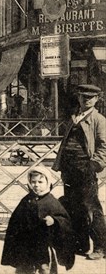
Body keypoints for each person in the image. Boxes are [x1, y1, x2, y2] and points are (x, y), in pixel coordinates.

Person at [52, 84, 106, 260]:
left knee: (91, 208)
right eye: (83, 96)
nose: (86, 100)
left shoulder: (99, 120)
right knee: (73, 207)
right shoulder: (75, 117)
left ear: (97, 99)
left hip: (87, 170)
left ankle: (101, 247)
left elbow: (104, 146)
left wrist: (94, 165)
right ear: (79, 97)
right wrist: (62, 165)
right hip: (70, 169)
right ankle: (80, 245)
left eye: (91, 97)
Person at [1, 166, 76, 273]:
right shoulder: (27, 200)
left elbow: (65, 221)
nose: (36, 185)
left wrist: (54, 221)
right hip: (26, 244)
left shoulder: (51, 201)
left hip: (44, 244)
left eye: (40, 182)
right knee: (24, 268)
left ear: (48, 182)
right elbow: (16, 220)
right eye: (33, 182)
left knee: (45, 268)